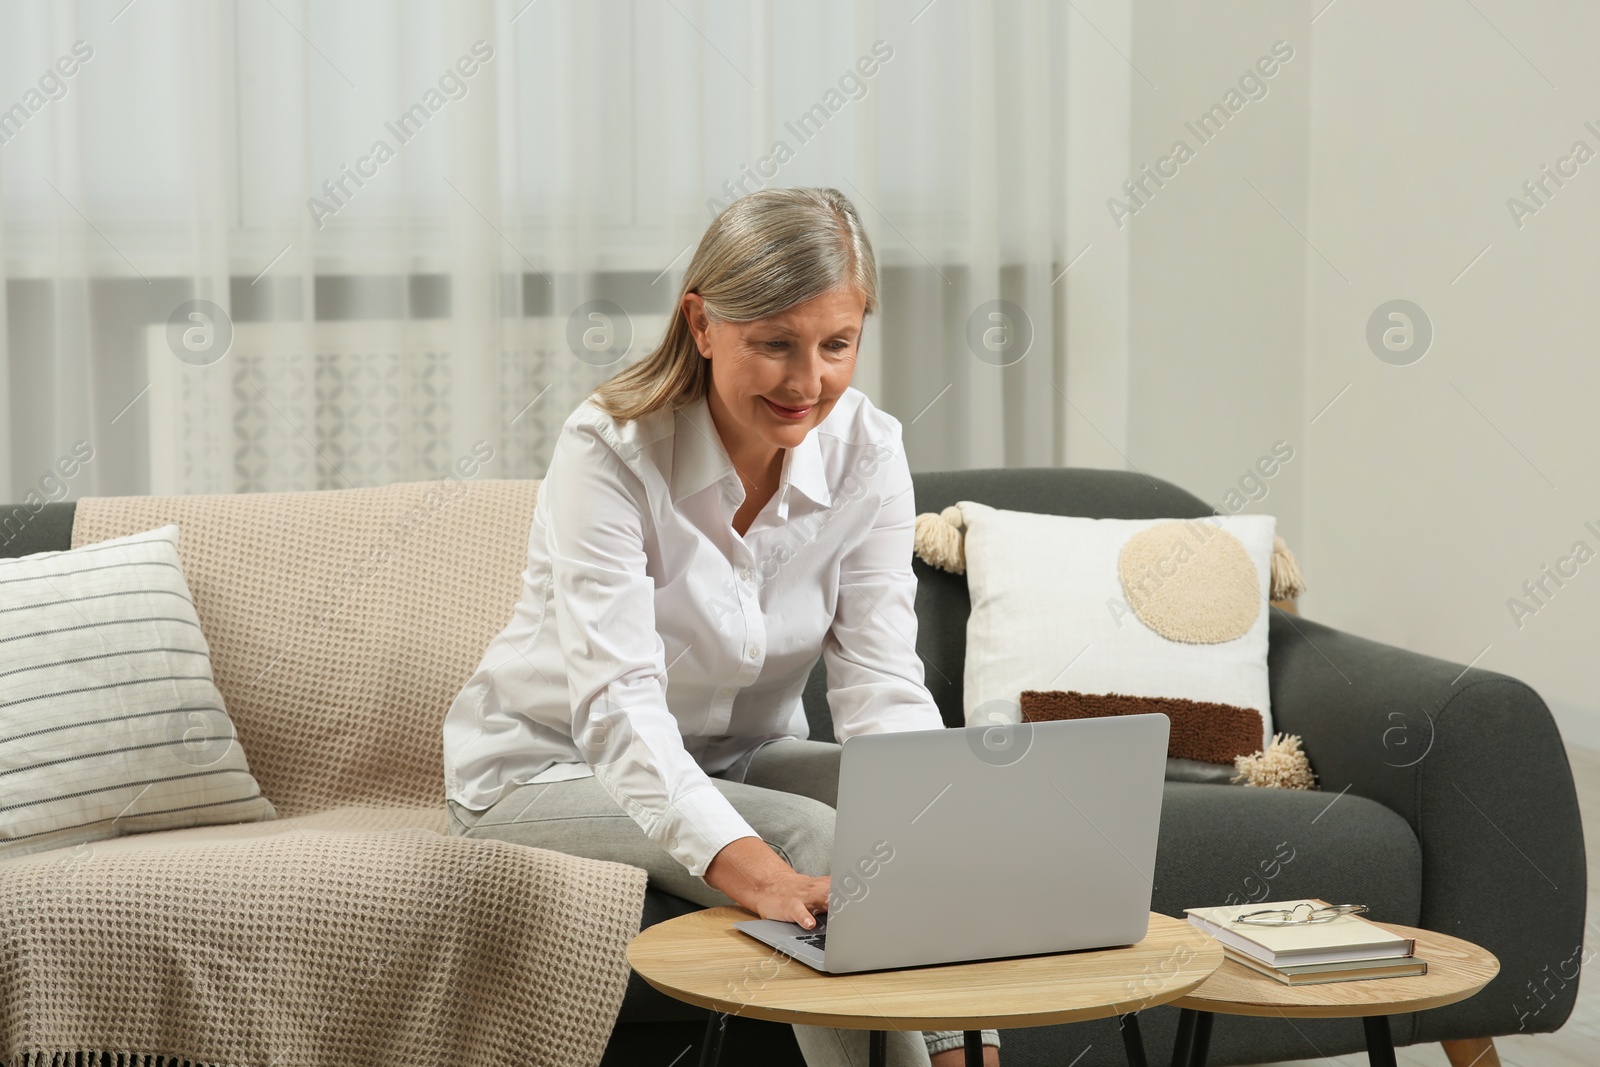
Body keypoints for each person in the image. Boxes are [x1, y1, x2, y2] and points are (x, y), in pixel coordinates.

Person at [441, 187, 1000, 1066]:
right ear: (701, 324)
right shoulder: (609, 450)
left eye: (836, 344)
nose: (805, 382)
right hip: (549, 771)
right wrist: (762, 869)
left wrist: (929, 822)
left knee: (927, 820)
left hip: (741, 757)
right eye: (773, 343)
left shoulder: (872, 453)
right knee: (820, 839)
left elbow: (884, 685)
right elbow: (618, 704)